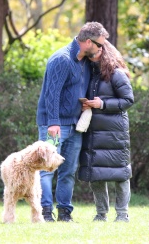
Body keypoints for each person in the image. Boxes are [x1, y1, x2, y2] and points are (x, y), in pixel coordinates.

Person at [36, 22, 109, 222]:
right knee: (46, 170)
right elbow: (52, 95)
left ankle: (65, 213)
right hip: (54, 125)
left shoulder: (85, 62)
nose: (101, 49)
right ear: (87, 42)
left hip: (75, 126)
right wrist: (53, 122)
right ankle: (45, 212)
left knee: (68, 171)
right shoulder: (61, 59)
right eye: (99, 45)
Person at [78, 40, 134, 222]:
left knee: (120, 174)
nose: (91, 58)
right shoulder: (90, 74)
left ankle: (122, 214)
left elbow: (128, 100)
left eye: (93, 54)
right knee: (96, 174)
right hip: (93, 132)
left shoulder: (116, 74)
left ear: (104, 51)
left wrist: (102, 104)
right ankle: (101, 214)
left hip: (115, 132)